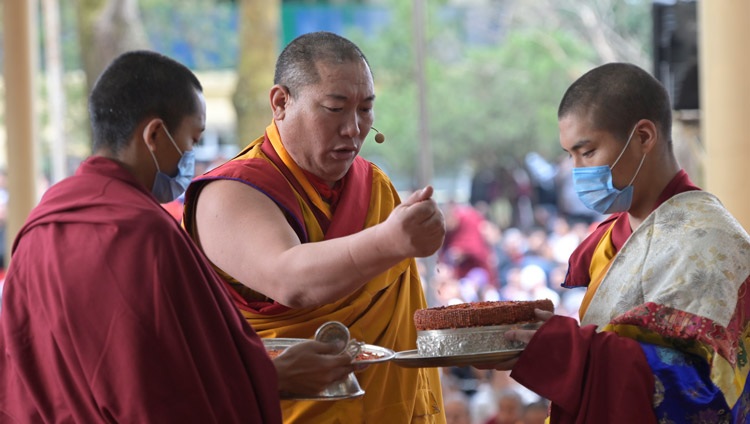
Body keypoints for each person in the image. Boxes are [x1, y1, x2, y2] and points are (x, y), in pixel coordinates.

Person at [0, 50, 355, 423]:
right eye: (192, 140)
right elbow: (161, 395)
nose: (192, 156)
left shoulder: (40, 225)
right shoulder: (143, 234)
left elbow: (20, 377)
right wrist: (273, 377)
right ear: (155, 135)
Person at [182, 31, 446, 422]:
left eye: (365, 110)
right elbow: (290, 279)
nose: (354, 129)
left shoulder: (375, 187)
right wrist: (391, 240)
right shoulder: (230, 191)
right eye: (335, 108)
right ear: (280, 103)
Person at [481, 63, 750, 423]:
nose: (577, 171)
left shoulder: (711, 242)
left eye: (587, 152)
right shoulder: (608, 237)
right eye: (570, 155)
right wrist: (549, 344)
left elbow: (708, 394)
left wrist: (565, 351)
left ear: (643, 137)